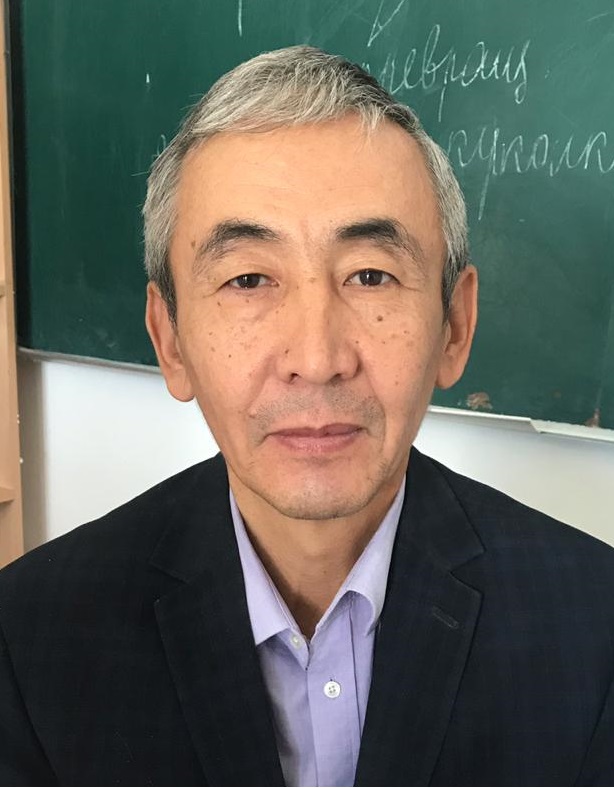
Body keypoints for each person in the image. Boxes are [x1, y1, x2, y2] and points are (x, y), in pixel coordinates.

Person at [1, 46, 613, 788]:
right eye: (248, 279)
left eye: (370, 275)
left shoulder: (595, 628)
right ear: (171, 341)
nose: (317, 358)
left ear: (455, 326)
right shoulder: (29, 639)